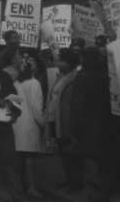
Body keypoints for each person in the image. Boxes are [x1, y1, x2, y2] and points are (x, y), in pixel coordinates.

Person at [69, 47, 115, 202]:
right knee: (103, 160)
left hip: (87, 125)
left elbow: (77, 104)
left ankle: (94, 192)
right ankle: (103, 191)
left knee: (90, 159)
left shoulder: (83, 76)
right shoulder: (105, 74)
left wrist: (74, 126)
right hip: (105, 122)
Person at [45, 48, 82, 192]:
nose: (58, 63)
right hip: (57, 118)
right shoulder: (60, 76)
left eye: (61, 60)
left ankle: (76, 183)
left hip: (68, 121)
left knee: (71, 153)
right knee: (63, 152)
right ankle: (68, 180)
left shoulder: (75, 78)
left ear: (69, 62)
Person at [0, 49, 24, 201]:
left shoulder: (4, 76)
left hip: (5, 123)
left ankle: (16, 193)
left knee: (11, 160)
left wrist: (14, 112)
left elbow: (15, 96)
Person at [13, 54, 46, 198]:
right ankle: (31, 188)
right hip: (30, 126)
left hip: (16, 125)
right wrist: (44, 124)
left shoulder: (16, 83)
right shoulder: (35, 83)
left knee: (19, 159)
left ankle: (19, 187)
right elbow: (36, 108)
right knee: (29, 160)